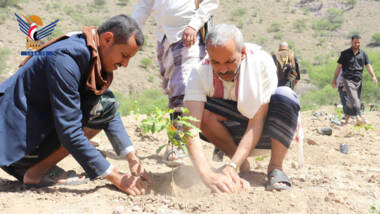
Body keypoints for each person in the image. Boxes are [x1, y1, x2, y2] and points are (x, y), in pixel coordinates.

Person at [0, 15, 151, 195]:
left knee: (104, 105)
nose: (125, 64)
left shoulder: (89, 50)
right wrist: (114, 176)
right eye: (124, 55)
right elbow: (69, 131)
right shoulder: (66, 59)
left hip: (28, 131)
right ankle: (34, 171)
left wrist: (131, 157)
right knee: (98, 110)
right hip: (12, 137)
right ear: (107, 39)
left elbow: (107, 106)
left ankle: (29, 163)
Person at [183, 24, 300, 193]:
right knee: (195, 112)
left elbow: (256, 121)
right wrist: (206, 174)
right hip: (232, 134)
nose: (223, 69)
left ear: (242, 53)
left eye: (229, 62)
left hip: (269, 133)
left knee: (285, 96)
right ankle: (241, 163)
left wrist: (231, 167)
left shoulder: (261, 63)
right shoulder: (200, 71)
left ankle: (275, 168)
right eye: (216, 62)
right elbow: (190, 128)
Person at [131, 0, 219, 165]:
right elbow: (144, 5)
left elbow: (210, 2)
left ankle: (178, 143)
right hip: (164, 38)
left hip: (188, 35)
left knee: (184, 88)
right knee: (174, 91)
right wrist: (130, 30)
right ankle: (181, 141)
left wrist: (193, 25)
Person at [332, 35, 377, 125]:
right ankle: (358, 117)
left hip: (358, 79)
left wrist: (373, 76)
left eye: (358, 42)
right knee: (354, 99)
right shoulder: (345, 54)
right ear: (351, 42)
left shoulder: (363, 54)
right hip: (347, 79)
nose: (357, 44)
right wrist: (335, 80)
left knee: (351, 101)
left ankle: (347, 119)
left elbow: (368, 65)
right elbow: (338, 67)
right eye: (355, 42)